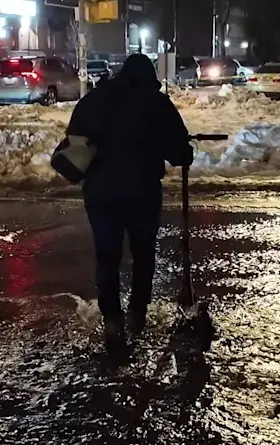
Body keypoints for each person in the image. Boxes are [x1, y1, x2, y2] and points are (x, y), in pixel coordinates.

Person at [63, 53, 193, 352]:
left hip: (100, 194)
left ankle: (112, 320)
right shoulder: (155, 103)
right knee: (143, 255)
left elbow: (74, 142)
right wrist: (184, 152)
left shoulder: (94, 100)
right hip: (142, 193)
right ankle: (137, 312)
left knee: (107, 257)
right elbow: (178, 151)